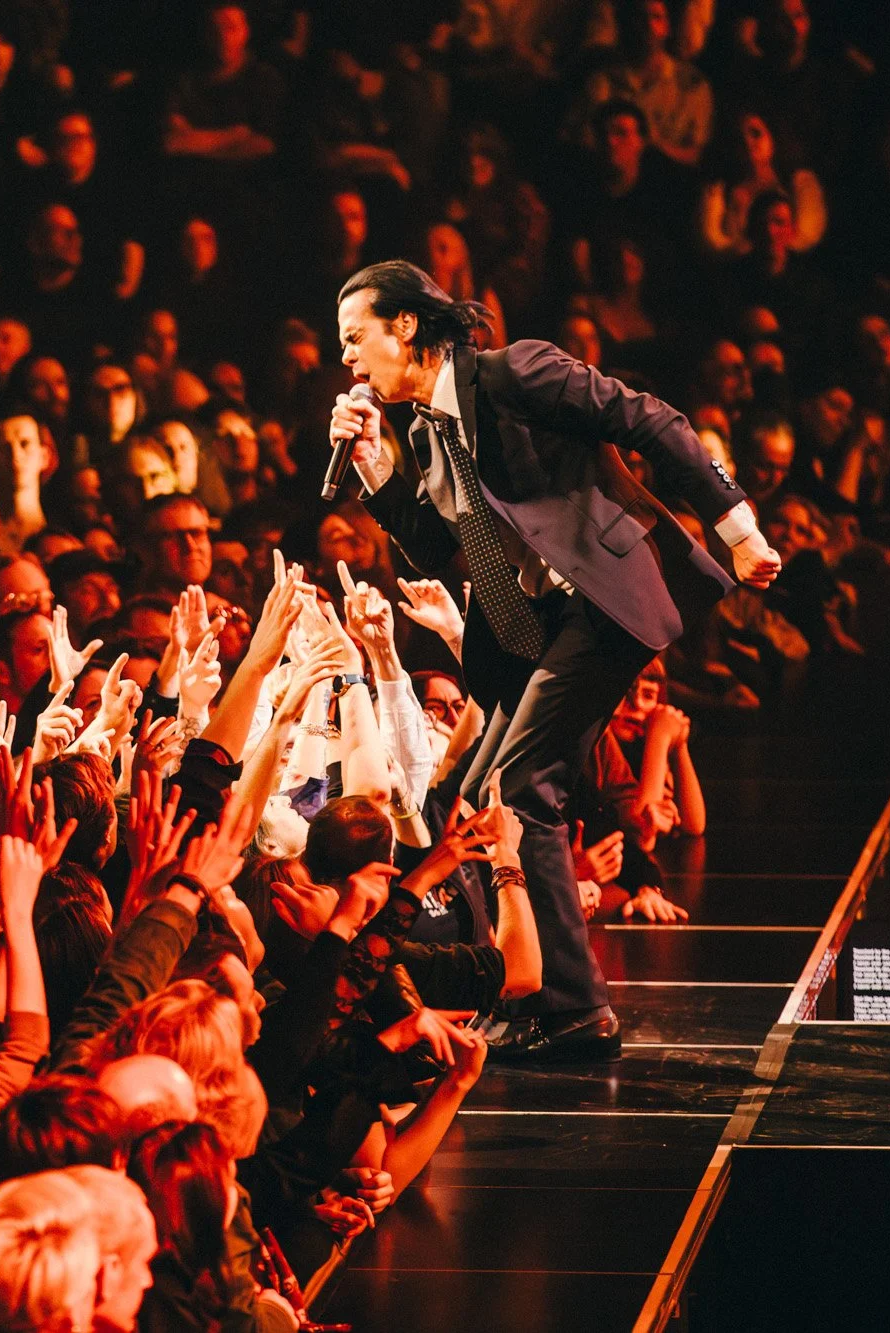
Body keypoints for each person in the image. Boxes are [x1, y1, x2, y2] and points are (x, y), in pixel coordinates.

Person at [331, 260, 780, 1060]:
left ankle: (573, 1006)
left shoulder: (514, 372)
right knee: (475, 800)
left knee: (517, 792)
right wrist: (373, 467)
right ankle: (522, 986)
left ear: (405, 325)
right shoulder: (426, 436)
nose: (348, 360)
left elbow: (653, 418)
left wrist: (736, 525)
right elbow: (441, 548)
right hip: (537, 625)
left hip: (605, 598)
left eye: (355, 337)